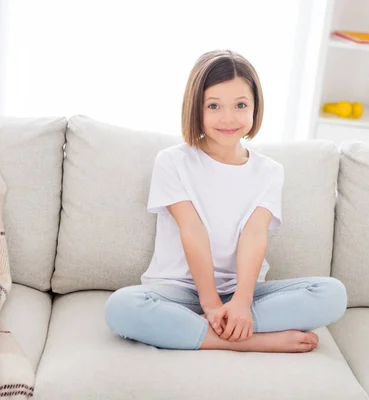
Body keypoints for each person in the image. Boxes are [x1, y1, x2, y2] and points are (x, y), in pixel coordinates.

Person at [104, 49, 347, 353]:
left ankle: (199, 329)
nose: (228, 118)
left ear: (255, 108)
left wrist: (242, 304)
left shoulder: (270, 172)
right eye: (214, 106)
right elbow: (192, 231)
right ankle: (249, 341)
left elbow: (254, 236)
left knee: (331, 295)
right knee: (123, 307)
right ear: (196, 108)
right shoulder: (172, 161)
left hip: (241, 293)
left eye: (240, 105)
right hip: (177, 291)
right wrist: (210, 304)